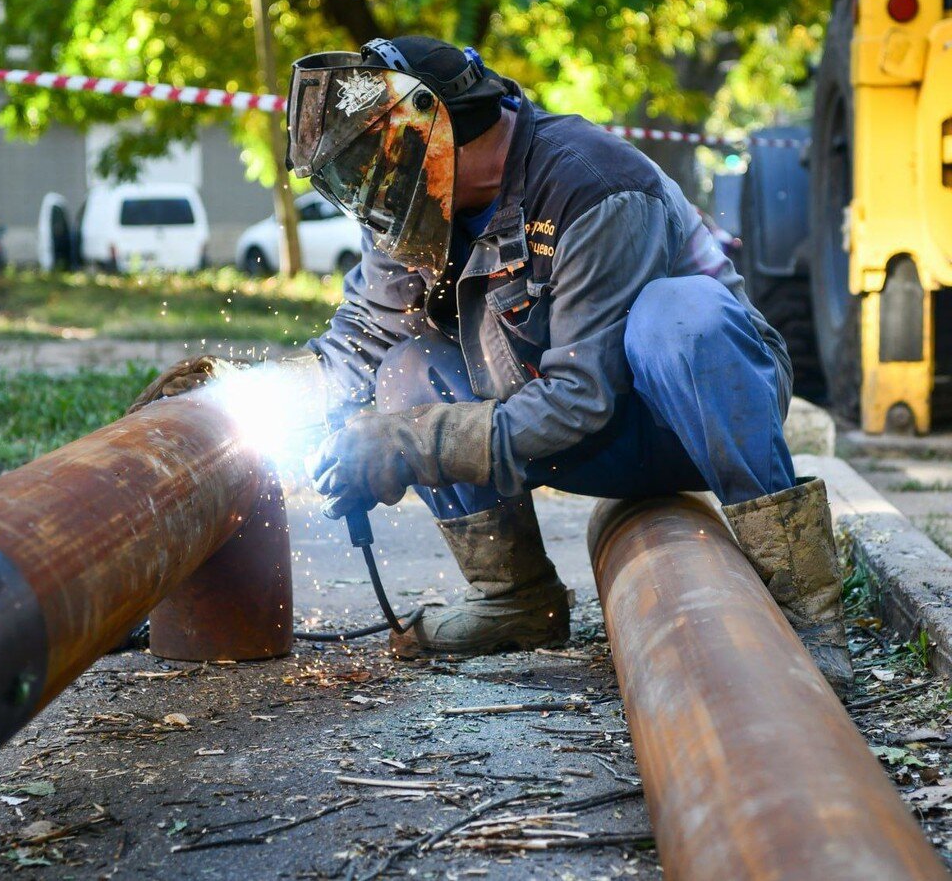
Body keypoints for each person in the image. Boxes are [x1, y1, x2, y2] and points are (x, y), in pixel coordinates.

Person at [138, 36, 853, 696]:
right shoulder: (412, 208)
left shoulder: (592, 184)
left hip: (685, 420)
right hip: (568, 445)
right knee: (405, 370)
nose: (373, 191)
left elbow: (582, 399)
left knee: (681, 316)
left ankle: (808, 610)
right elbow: (355, 349)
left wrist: (413, 444)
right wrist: (231, 396)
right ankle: (514, 598)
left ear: (437, 132)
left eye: (384, 162)